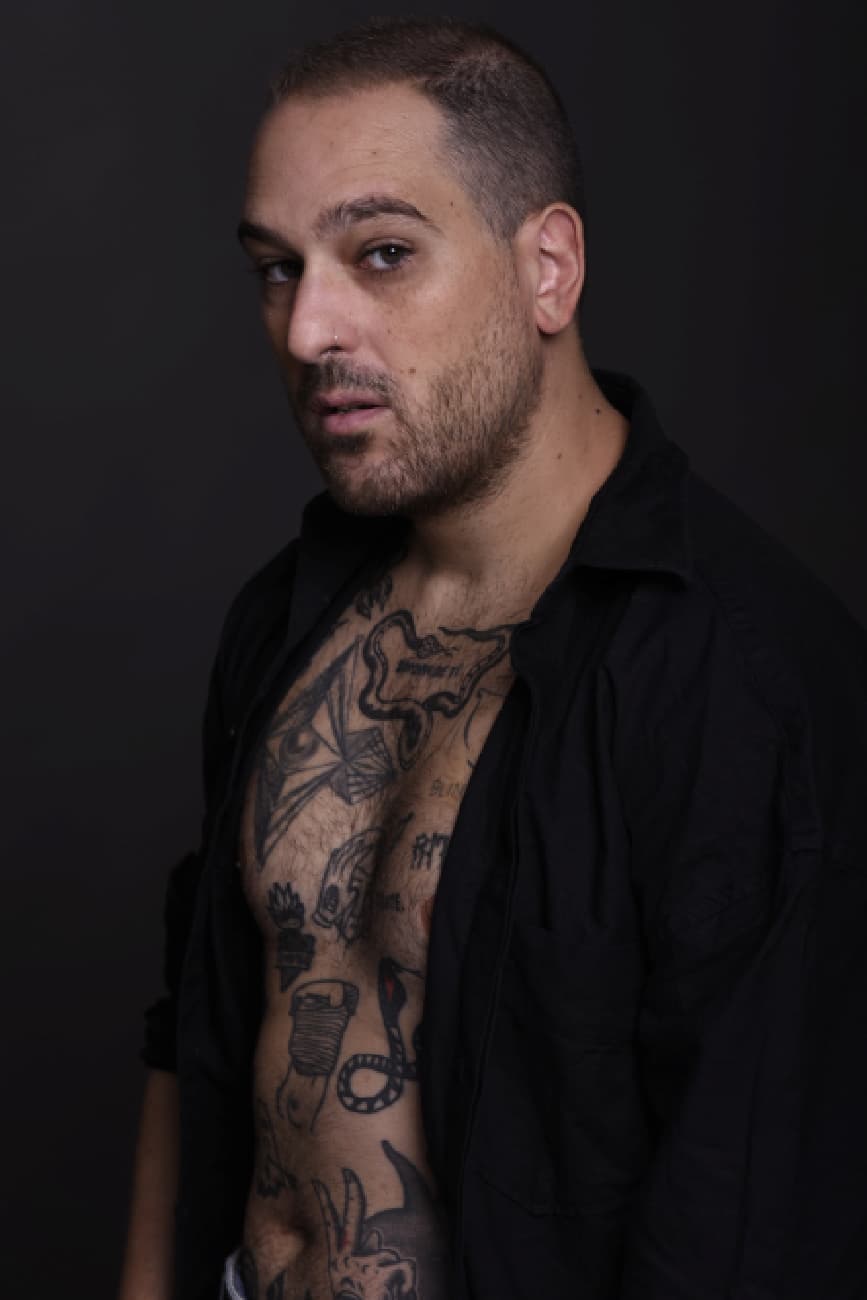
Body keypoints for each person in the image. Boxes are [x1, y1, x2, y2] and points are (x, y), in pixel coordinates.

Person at [118, 17, 867, 1300]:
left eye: (382, 253)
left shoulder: (743, 687)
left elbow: (754, 1208)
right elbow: (190, 1020)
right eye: (278, 268)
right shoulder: (285, 618)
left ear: (548, 269)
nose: (308, 329)